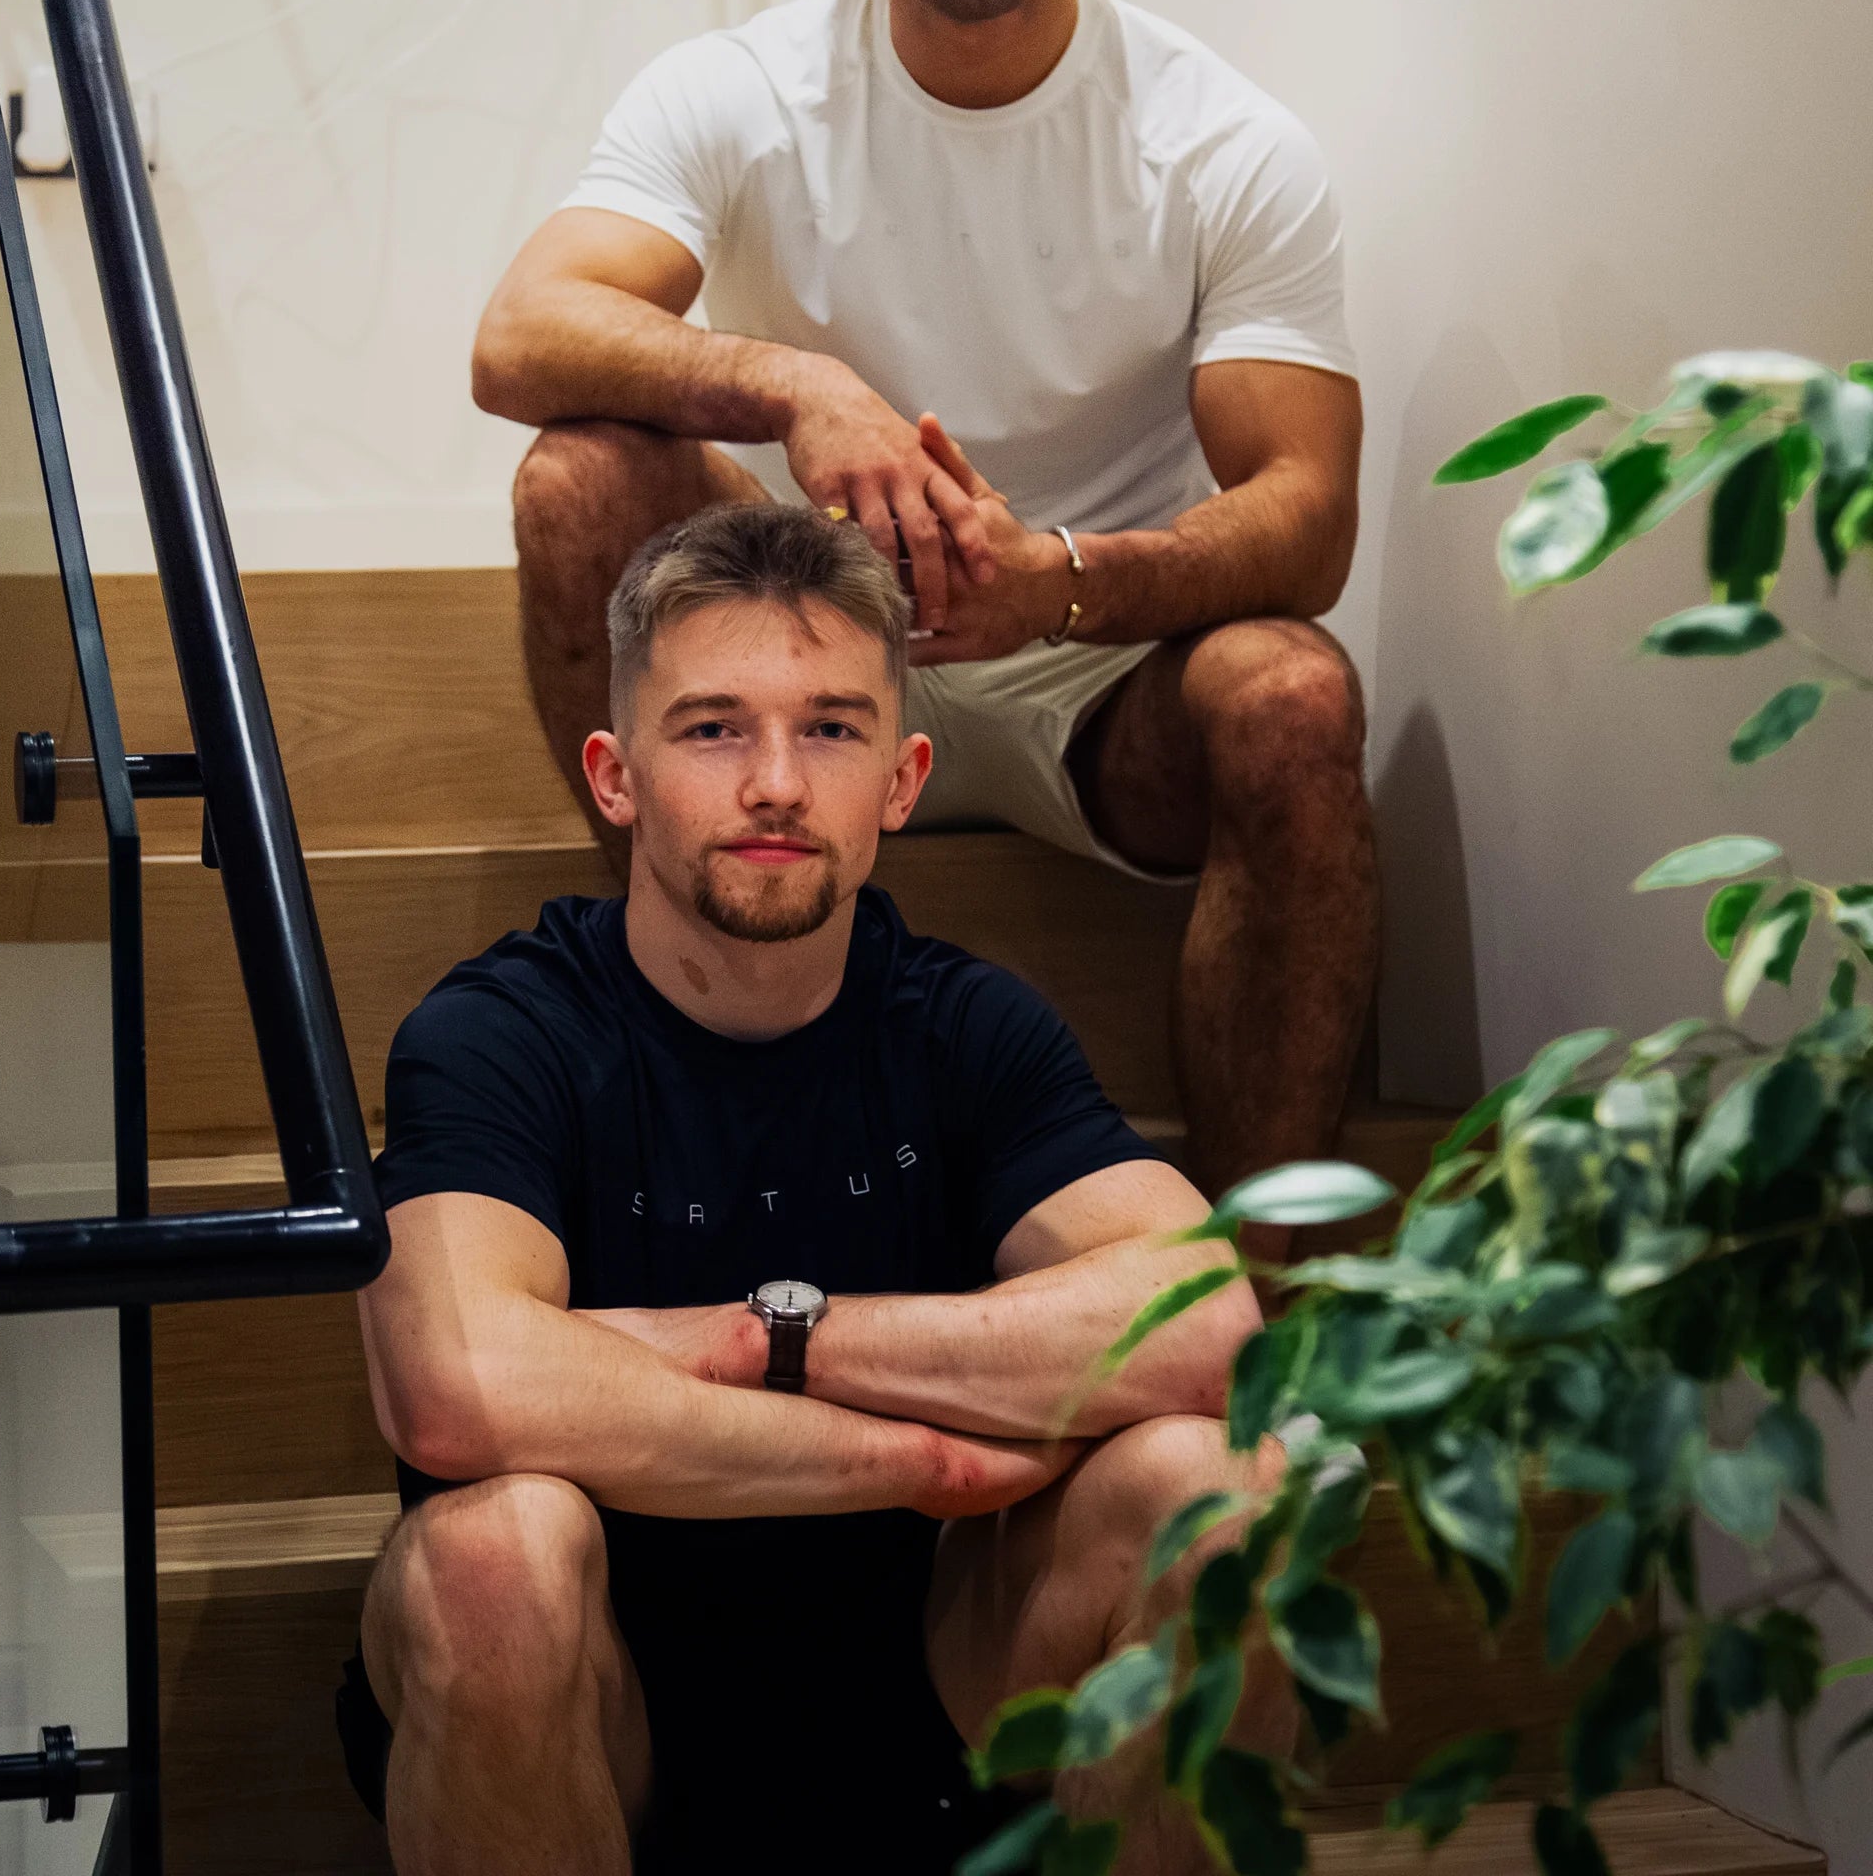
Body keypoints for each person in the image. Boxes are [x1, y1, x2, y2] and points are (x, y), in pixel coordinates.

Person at [475, 0, 1376, 1228]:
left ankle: (1269, 1313)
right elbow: (523, 331)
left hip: (1091, 677)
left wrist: (1063, 581)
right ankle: (666, 985)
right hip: (787, 646)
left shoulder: (1221, 140)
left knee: (1294, 691)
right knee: (576, 477)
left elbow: (1307, 515)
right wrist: (800, 389)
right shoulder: (744, 88)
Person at [340, 503, 1288, 1876]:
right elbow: (456, 1388)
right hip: (599, 1697)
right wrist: (914, 1457)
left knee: (1225, 1486)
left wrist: (773, 1337)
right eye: (714, 727)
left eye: (831, 729)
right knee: (490, 1553)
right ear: (615, 775)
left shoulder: (965, 1025)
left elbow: (1208, 1327)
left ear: (901, 781)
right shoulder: (505, 1033)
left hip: (931, 1660)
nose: (776, 783)